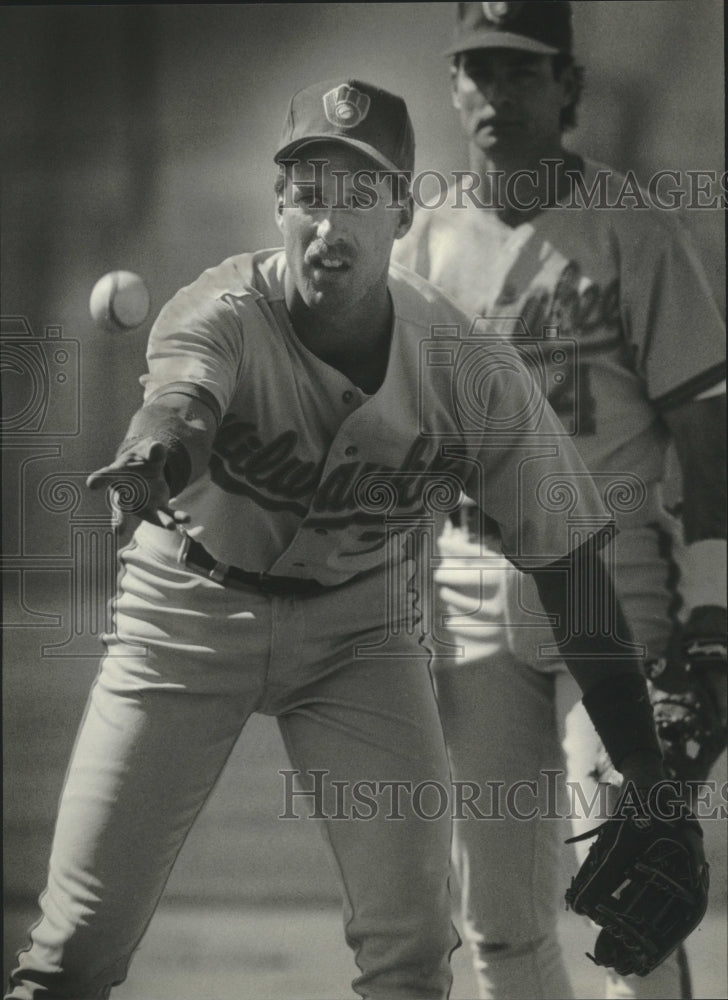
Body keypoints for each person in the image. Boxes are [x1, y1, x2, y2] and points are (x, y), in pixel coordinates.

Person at [7, 76, 674, 1000]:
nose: (330, 222)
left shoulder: (465, 365)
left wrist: (640, 764)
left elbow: (567, 559)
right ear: (279, 205)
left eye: (359, 196)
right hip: (185, 615)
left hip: (361, 633)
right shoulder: (222, 309)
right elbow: (181, 405)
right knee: (76, 948)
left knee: (410, 956)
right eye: (310, 194)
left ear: (401, 213)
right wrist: (154, 459)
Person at [393, 4, 727, 999]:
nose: (495, 92)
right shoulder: (419, 249)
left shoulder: (634, 231)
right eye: (477, 69)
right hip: (468, 591)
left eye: (520, 70)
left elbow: (708, 448)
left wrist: (710, 614)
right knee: (494, 914)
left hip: (613, 592)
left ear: (567, 87)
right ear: (452, 84)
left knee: (634, 892)